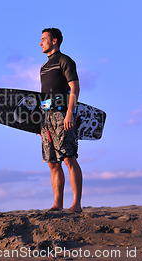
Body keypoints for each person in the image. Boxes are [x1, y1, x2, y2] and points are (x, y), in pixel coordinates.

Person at [39, 28, 83, 213]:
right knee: (52, 162)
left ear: (54, 41)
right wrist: (38, 122)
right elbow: (43, 96)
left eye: (44, 39)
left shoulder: (65, 61)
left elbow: (74, 88)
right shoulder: (43, 68)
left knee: (68, 158)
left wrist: (70, 113)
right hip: (46, 118)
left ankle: (76, 204)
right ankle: (57, 204)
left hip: (62, 115)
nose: (40, 43)